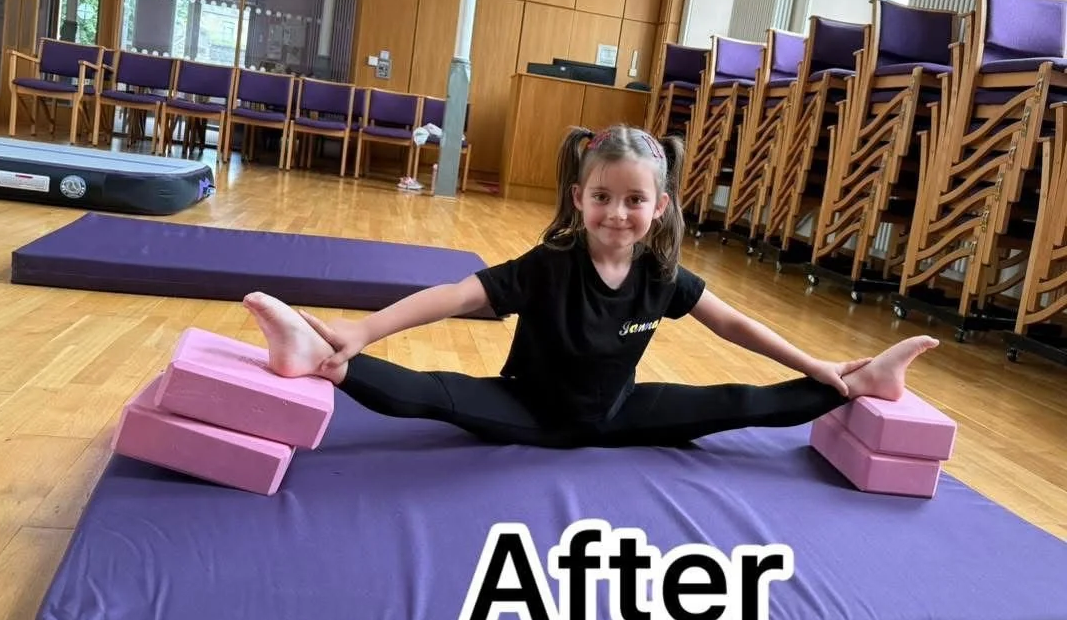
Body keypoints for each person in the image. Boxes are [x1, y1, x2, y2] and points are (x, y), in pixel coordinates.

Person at [244, 123, 937, 448]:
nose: (618, 213)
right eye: (603, 197)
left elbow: (734, 326)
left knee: (741, 402)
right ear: (579, 198)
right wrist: (361, 330)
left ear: (658, 209)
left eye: (635, 201)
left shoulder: (660, 276)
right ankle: (318, 356)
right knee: (429, 395)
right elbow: (457, 297)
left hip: (618, 413)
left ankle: (865, 381)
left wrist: (817, 366)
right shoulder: (550, 265)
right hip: (528, 410)